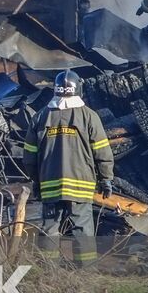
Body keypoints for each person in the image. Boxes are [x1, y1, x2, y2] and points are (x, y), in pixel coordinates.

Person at [23, 70, 113, 268]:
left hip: (50, 184)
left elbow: (29, 156)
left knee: (50, 228)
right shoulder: (89, 116)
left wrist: (36, 181)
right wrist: (106, 179)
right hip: (80, 185)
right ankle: (87, 272)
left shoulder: (41, 117)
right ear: (77, 89)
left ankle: (48, 272)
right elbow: (102, 152)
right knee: (83, 228)